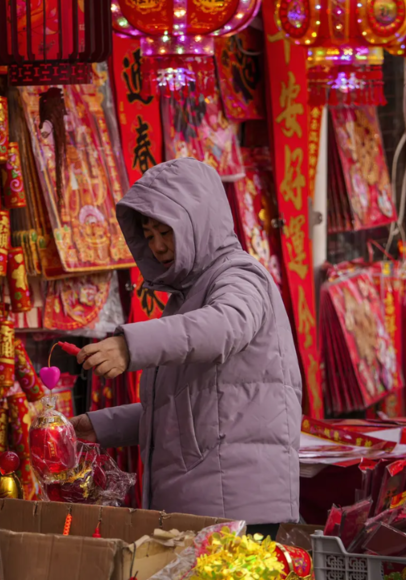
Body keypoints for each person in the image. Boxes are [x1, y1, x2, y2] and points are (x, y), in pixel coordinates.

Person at [72, 158, 303, 538]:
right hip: (207, 497)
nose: (158, 246)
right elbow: (186, 409)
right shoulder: (189, 295)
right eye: (149, 235)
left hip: (235, 501)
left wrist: (131, 346)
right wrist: (102, 426)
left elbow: (226, 325)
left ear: (197, 222)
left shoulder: (239, 275)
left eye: (167, 232)